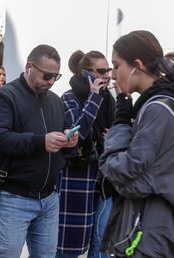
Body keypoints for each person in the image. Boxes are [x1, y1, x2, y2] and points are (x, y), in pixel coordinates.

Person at [98, 30, 174, 257]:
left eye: (116, 66)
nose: (113, 75)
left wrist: (121, 122)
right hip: (164, 226)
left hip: (153, 233)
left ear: (137, 65)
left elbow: (121, 170)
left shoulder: (157, 108)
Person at [0, 44, 79, 258]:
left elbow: (63, 133)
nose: (51, 82)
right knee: (5, 255)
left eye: (56, 76)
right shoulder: (4, 97)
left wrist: (69, 140)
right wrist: (40, 142)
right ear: (29, 67)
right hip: (12, 196)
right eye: (47, 75)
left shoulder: (55, 100)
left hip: (49, 197)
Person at [56, 50, 115, 258]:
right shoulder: (69, 98)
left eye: (108, 69)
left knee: (101, 240)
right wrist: (93, 98)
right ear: (85, 73)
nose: (106, 74)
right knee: (68, 245)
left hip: (105, 180)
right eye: (100, 71)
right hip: (79, 178)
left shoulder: (109, 98)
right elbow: (77, 133)